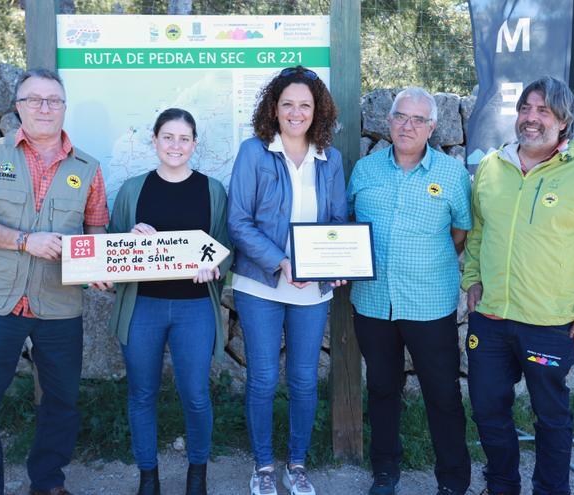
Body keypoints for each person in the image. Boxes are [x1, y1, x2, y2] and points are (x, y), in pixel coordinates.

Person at [462, 77, 574, 495]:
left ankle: (551, 490)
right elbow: (479, 231)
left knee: (550, 415)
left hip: (549, 324)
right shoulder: (492, 168)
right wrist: (474, 279)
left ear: (564, 121)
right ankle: (501, 486)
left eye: (543, 111)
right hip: (492, 319)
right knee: (486, 409)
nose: (531, 118)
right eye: (526, 109)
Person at [0, 68, 109, 495]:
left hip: (59, 306)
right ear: (18, 106)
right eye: (34, 99)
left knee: (61, 405)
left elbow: (96, 233)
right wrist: (25, 241)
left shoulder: (89, 169)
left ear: (63, 107)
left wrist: (104, 266)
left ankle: (48, 483)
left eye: (53, 100)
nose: (44, 107)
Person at [227, 66, 347, 495]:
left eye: (305, 105)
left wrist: (332, 264)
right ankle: (262, 466)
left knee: (302, 379)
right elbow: (238, 222)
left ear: (318, 111)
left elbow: (336, 222)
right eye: (288, 104)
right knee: (262, 378)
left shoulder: (330, 160)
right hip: (261, 284)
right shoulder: (253, 152)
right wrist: (281, 262)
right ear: (273, 109)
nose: (296, 113)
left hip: (311, 291)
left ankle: (296, 465)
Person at [347, 87, 472, 495]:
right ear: (389, 120)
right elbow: (346, 223)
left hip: (428, 303)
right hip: (372, 302)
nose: (408, 125)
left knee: (443, 393)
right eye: (402, 116)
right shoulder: (365, 170)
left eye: (419, 120)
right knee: (382, 388)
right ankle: (385, 472)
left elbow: (460, 233)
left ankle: (452, 481)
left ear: (432, 127)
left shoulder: (451, 175)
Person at [107, 108, 232, 495]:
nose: (176, 145)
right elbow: (112, 248)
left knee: (195, 395)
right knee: (141, 394)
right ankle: (149, 476)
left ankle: (198, 474)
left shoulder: (212, 189)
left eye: (184, 138)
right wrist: (131, 237)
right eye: (168, 137)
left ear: (194, 144)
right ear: (155, 141)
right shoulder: (132, 189)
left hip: (194, 308)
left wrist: (211, 266)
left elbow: (225, 248)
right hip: (143, 305)